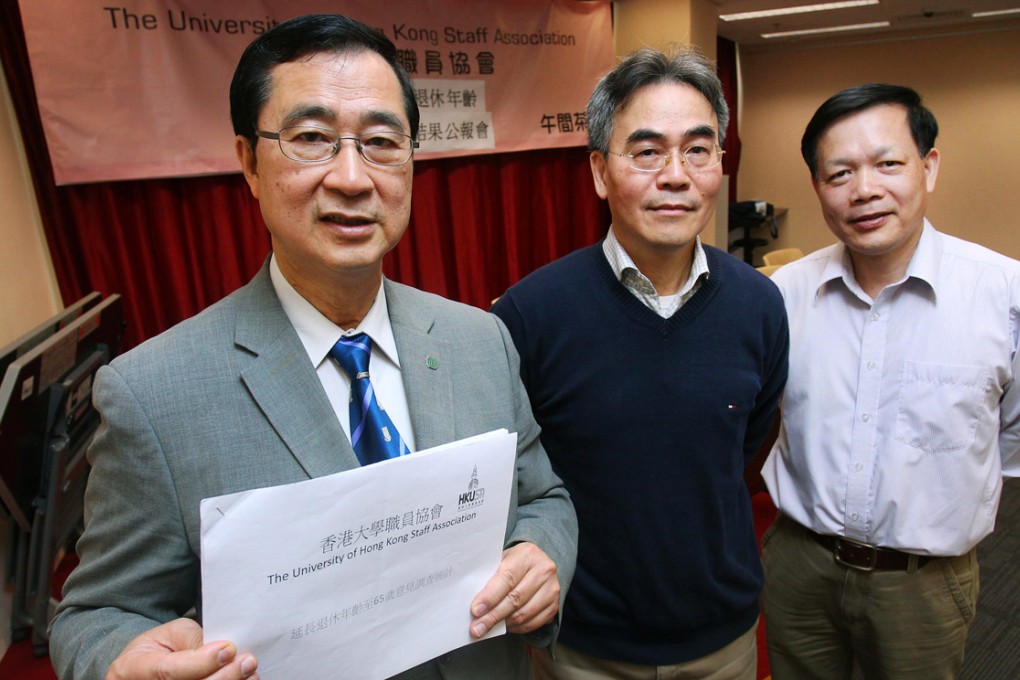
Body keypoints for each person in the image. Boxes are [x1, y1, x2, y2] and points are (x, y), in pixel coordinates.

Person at [48, 14, 577, 680]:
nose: (352, 178)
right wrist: (117, 664)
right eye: (312, 139)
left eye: (381, 142)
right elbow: (97, 614)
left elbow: (544, 498)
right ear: (249, 161)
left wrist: (542, 553)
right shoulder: (153, 394)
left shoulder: (480, 339)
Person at [491, 47, 789, 679]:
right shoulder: (530, 313)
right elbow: (515, 477)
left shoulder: (760, 306)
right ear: (600, 171)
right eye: (647, 151)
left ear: (720, 163)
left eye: (698, 150)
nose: (676, 175)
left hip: (723, 637)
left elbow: (744, 449)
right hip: (584, 645)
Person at [761, 83, 1020, 679]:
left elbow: (1010, 439)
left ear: (929, 167)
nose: (864, 190)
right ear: (818, 187)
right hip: (799, 566)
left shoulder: (1003, 295)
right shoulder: (782, 296)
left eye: (888, 164)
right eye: (840, 173)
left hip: (923, 584)